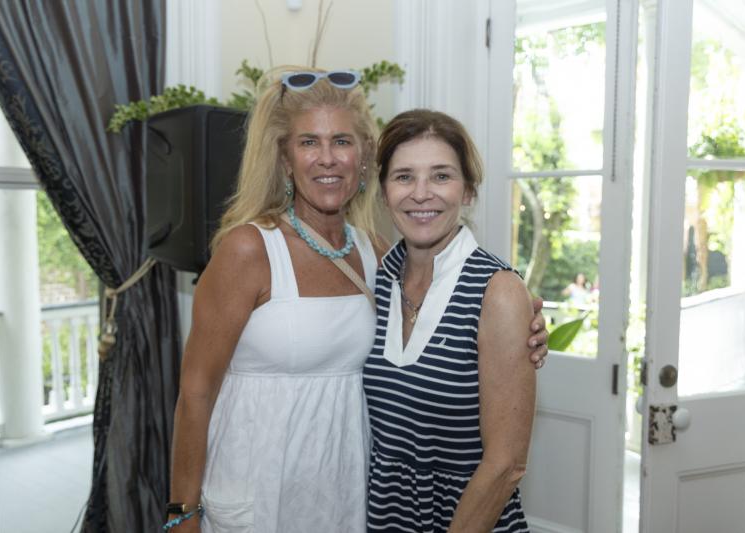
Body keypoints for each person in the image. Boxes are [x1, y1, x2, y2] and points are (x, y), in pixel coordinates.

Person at [167, 68, 548, 532]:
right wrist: (181, 513)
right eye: (309, 142)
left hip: (345, 495)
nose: (327, 158)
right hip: (256, 485)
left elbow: (452, 310)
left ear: (364, 157)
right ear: (285, 159)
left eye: (342, 141)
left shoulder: (375, 255)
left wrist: (518, 327)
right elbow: (196, 390)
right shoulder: (249, 249)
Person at [364, 109, 536, 532]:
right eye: (404, 177)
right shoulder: (377, 278)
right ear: (384, 192)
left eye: (441, 176)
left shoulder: (497, 291)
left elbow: (506, 465)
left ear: (468, 190)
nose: (421, 194)